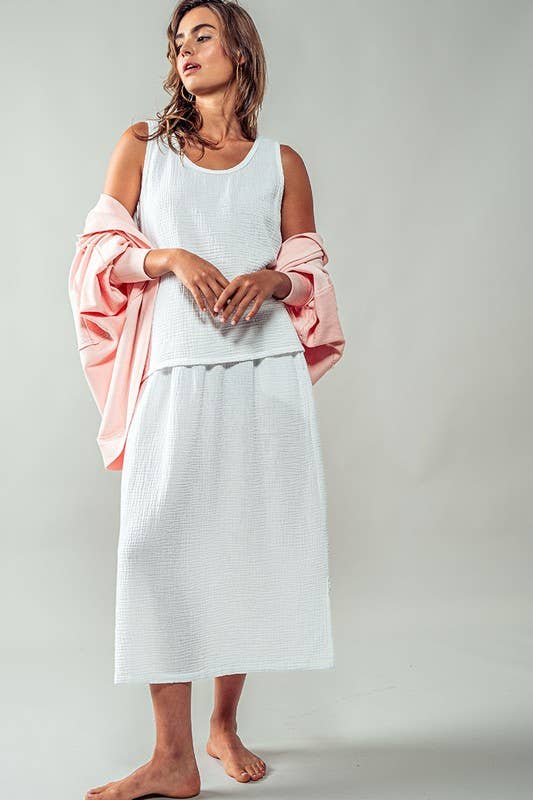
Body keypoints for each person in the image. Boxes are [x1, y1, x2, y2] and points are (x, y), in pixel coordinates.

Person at [83, 1, 340, 797]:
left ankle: (221, 727)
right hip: (176, 369)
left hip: (265, 374)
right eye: (177, 41)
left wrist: (275, 279)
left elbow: (308, 264)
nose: (184, 50)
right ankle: (171, 755)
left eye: (201, 35)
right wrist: (167, 257)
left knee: (243, 549)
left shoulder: (280, 163)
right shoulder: (144, 147)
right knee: (155, 546)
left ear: (240, 49)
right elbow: (98, 251)